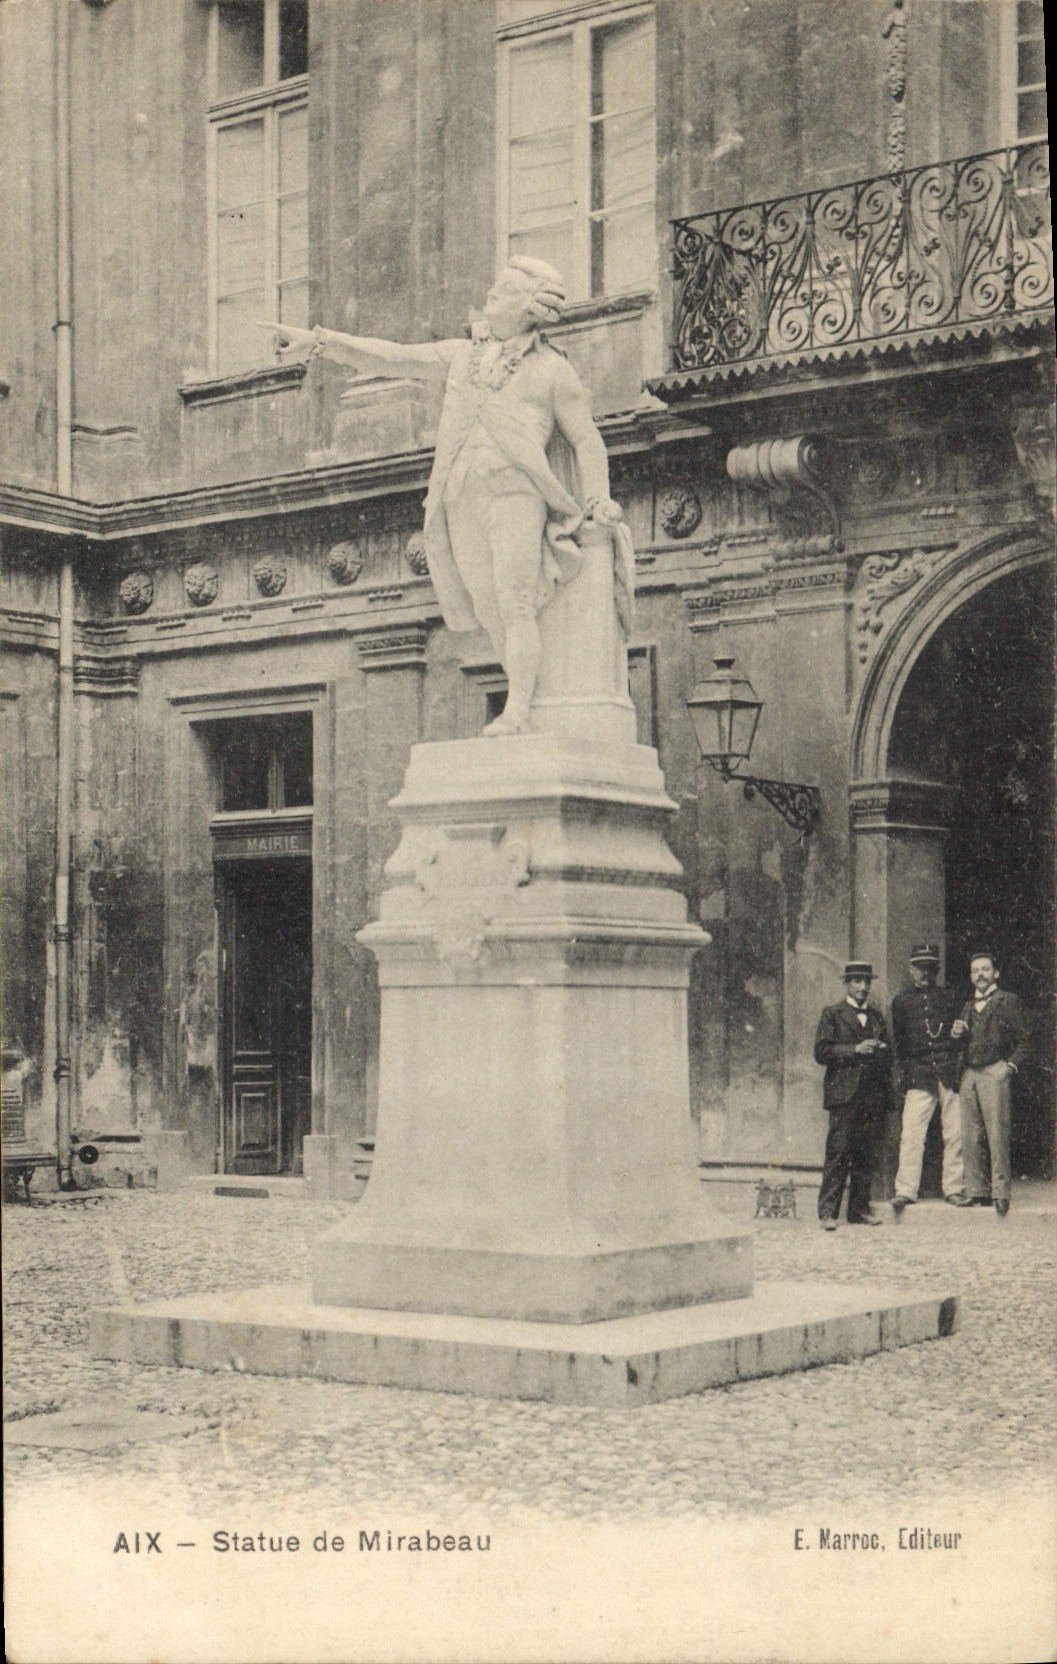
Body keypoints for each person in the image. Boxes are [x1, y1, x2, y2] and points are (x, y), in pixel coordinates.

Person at [263, 259, 626, 736]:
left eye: (504, 291)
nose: (491, 294)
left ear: (530, 308)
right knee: (487, 604)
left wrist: (597, 497)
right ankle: (529, 697)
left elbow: (585, 438)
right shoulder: (462, 355)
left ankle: (519, 709)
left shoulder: (552, 370)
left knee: (514, 599)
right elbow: (392, 358)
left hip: (515, 493)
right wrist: (321, 343)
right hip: (460, 496)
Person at [951, 949, 1031, 1217]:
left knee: (997, 1133)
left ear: (996, 973)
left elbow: (1025, 1041)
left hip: (994, 1071)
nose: (980, 975)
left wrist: (1009, 1067)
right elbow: (962, 1041)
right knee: (970, 1135)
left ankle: (1000, 1193)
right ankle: (977, 1191)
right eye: (975, 971)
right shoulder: (967, 1005)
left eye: (985, 969)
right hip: (969, 1073)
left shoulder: (1008, 1001)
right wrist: (956, 1034)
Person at [814, 961, 894, 1229]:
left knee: (866, 1154)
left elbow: (889, 1055)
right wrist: (855, 1049)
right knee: (838, 1153)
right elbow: (821, 1052)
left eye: (866, 982)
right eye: (857, 981)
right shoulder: (832, 1014)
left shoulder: (876, 1017)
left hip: (872, 1095)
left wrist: (880, 1048)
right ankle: (828, 1213)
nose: (863, 987)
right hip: (844, 1095)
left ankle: (858, 1211)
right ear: (847, 984)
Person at [890, 943, 967, 1218]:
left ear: (937, 969)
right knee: (911, 1133)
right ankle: (906, 1190)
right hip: (919, 1074)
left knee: (955, 1132)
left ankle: (954, 1188)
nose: (925, 972)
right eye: (920, 967)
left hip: (948, 1071)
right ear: (911, 969)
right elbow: (900, 1045)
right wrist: (904, 1076)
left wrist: (957, 1040)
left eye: (930, 967)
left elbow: (960, 1037)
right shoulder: (900, 1002)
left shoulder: (950, 997)